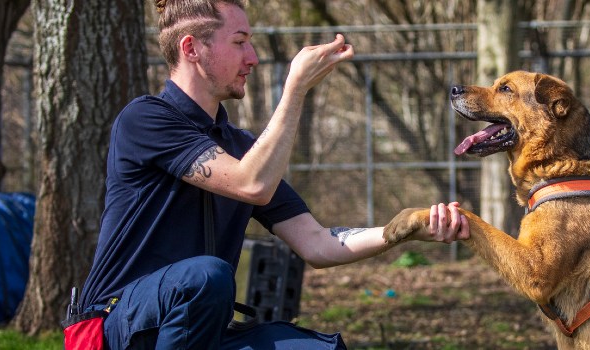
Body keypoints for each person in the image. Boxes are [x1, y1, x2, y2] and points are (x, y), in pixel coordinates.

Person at [78, 0, 470, 348]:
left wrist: (405, 228)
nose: (252, 58)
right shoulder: (145, 119)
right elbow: (251, 184)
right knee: (205, 277)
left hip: (200, 329)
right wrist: (294, 90)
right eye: (239, 42)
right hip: (118, 328)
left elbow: (318, 244)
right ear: (191, 48)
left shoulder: (241, 149)